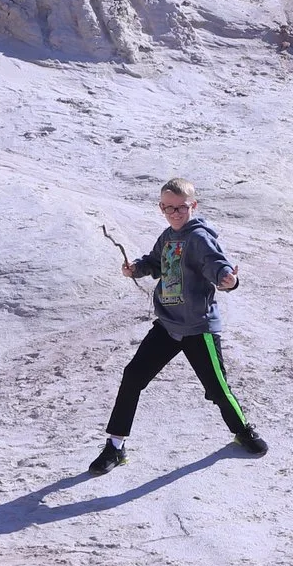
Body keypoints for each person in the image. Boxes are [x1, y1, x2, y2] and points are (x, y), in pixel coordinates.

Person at [89, 177, 267, 474]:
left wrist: (228, 280)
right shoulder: (168, 237)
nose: (174, 213)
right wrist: (137, 268)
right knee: (133, 376)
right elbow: (156, 262)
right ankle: (115, 447)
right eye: (168, 208)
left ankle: (243, 430)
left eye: (180, 208)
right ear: (161, 208)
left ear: (192, 206)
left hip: (199, 328)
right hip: (169, 325)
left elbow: (216, 263)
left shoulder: (199, 238)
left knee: (217, 388)